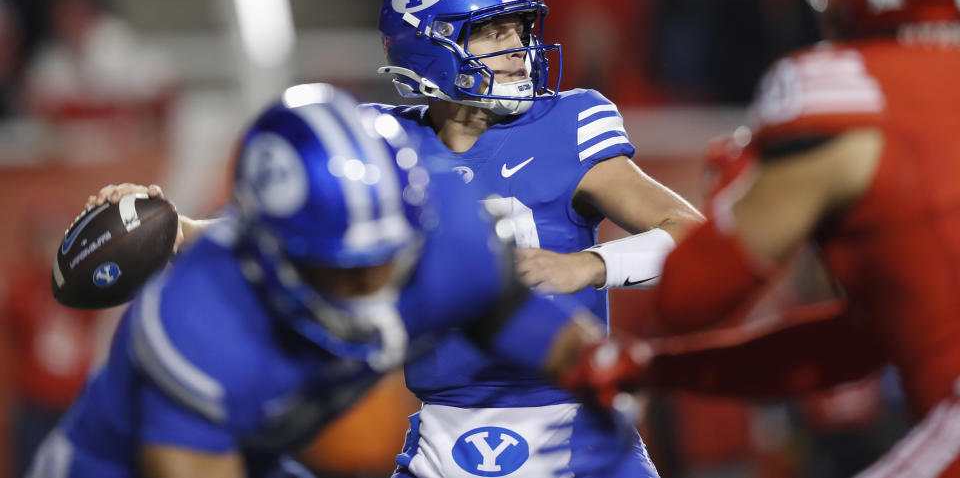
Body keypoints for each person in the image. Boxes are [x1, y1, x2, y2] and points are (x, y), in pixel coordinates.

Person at [26, 85, 639, 478]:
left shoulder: (444, 230)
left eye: (388, 255)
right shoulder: (195, 327)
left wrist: (585, 361)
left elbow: (505, 312)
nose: (375, 284)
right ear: (270, 254)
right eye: (341, 267)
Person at [572, 0, 960, 477]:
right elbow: (848, 346)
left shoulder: (843, 94)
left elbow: (689, 300)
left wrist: (735, 191)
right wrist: (656, 368)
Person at [375, 0, 702, 478]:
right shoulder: (385, 144)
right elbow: (276, 240)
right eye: (493, 33)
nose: (519, 50)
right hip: (441, 435)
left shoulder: (566, 124)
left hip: (578, 428)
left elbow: (693, 236)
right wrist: (189, 234)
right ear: (428, 47)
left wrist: (587, 265)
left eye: (520, 30)